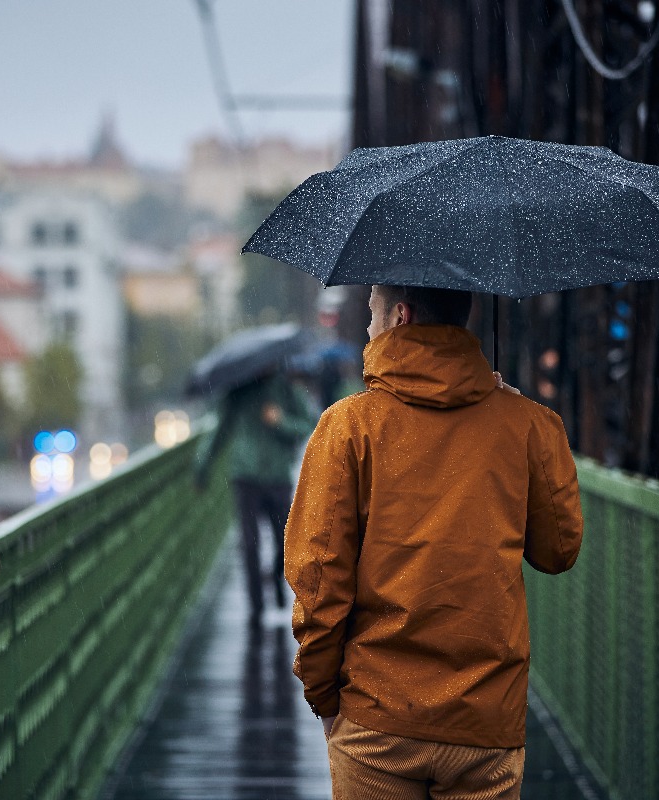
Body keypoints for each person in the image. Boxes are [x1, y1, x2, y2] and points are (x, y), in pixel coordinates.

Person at [284, 284, 583, 799]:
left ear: (400, 316)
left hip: (378, 717)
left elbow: (318, 579)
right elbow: (558, 550)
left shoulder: (349, 426)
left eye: (372, 314)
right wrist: (534, 429)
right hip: (486, 723)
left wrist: (324, 696)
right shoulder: (527, 424)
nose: (367, 330)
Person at [196, 370, 316, 621]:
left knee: (285, 540)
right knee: (249, 544)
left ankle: (276, 576)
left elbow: (308, 424)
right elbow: (219, 431)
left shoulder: (285, 389)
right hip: (246, 476)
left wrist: (280, 421)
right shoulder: (237, 391)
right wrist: (202, 466)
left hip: (277, 476)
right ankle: (256, 606)